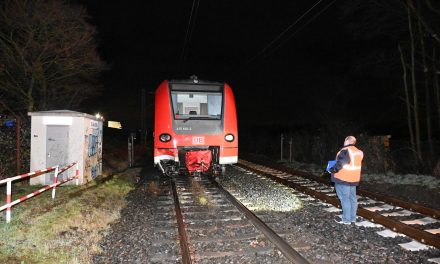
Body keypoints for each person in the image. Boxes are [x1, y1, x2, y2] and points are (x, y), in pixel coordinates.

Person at [328, 136, 364, 225]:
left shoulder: (345, 151)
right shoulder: (359, 152)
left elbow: (340, 164)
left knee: (345, 199)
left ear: (347, 141)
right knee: (352, 199)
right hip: (354, 179)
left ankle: (346, 220)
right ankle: (352, 218)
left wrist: (331, 169)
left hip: (343, 179)